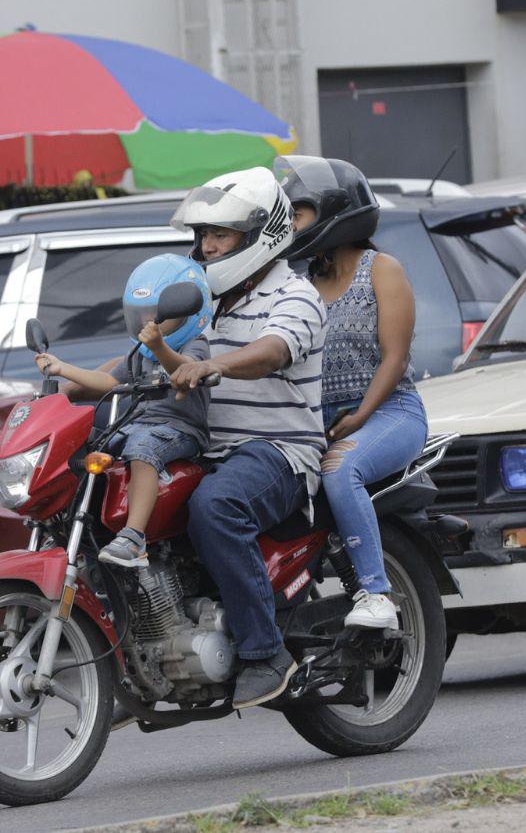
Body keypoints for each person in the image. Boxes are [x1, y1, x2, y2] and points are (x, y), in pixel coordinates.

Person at [168, 166, 327, 709]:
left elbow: (272, 352)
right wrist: (76, 378)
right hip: (210, 448)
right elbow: (152, 353)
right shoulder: (205, 301)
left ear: (262, 235)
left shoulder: (295, 294)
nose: (208, 247)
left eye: (222, 235)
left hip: (279, 452)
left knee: (216, 507)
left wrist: (214, 367)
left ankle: (264, 653)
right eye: (204, 236)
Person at [276, 154, 428, 631]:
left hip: (389, 412)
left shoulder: (381, 269)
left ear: (333, 212)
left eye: (299, 213)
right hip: (321, 422)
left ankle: (376, 594)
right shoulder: (300, 285)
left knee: (341, 473)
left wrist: (361, 415)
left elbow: (395, 358)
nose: (292, 224)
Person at [34, 253, 213, 568]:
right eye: (143, 314)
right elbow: (107, 382)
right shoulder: (140, 354)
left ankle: (134, 536)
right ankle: (76, 524)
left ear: (185, 315)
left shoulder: (194, 345)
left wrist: (160, 347)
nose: (148, 322)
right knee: (90, 445)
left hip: (180, 430)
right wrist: (63, 368)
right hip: (139, 425)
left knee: (142, 449)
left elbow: (185, 372)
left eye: (158, 315)